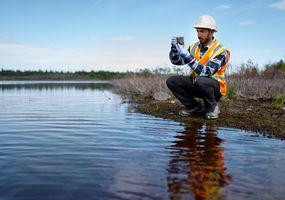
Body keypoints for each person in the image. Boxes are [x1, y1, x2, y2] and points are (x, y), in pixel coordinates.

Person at [166, 15, 230, 119]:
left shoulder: (221, 51)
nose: (199, 35)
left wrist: (188, 57)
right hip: (197, 84)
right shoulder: (194, 47)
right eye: (198, 31)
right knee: (172, 81)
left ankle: (212, 107)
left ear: (212, 32)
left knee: (202, 80)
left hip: (214, 89)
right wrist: (174, 49)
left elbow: (207, 72)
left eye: (203, 31)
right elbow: (176, 61)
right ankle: (193, 107)